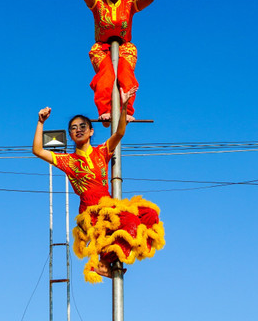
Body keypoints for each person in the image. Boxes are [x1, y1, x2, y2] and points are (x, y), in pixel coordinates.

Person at [32, 90, 164, 283]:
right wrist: (41, 122)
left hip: (109, 206)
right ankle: (103, 263)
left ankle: (107, 260)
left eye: (82, 126)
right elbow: (37, 150)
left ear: (91, 130)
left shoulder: (101, 151)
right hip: (90, 212)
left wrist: (124, 106)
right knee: (129, 222)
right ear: (69, 134)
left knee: (149, 215)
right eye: (73, 128)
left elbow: (119, 132)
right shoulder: (68, 161)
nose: (78, 129)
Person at [80, 0, 154, 125]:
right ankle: (105, 110)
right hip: (101, 48)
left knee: (125, 74)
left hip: (125, 47)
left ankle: (126, 110)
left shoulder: (129, 5)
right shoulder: (97, 4)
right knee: (106, 74)